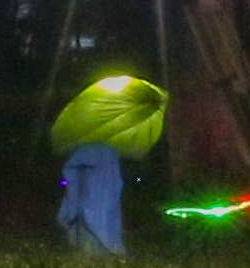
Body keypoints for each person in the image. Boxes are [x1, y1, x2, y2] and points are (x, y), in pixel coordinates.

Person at [47, 71, 166, 256]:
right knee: (96, 210)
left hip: (94, 181)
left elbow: (76, 182)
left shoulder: (94, 148)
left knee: (94, 209)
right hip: (96, 183)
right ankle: (98, 247)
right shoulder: (102, 150)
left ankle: (94, 248)